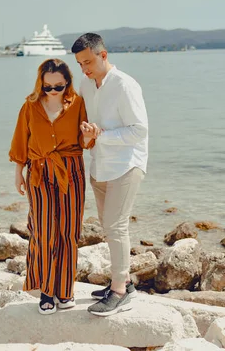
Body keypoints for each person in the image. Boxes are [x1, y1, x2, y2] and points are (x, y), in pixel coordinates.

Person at [9, 58, 95, 315]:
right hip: (38, 172)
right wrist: (18, 173)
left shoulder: (78, 103)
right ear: (41, 84)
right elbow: (20, 140)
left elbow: (85, 140)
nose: (53, 91)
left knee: (69, 232)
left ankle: (65, 291)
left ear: (67, 82)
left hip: (71, 171)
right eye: (48, 87)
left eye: (58, 86)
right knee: (44, 231)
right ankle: (46, 290)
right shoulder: (30, 106)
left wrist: (89, 137)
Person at [72, 33, 148, 316]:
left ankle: (119, 291)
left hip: (126, 165)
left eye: (88, 62)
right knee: (108, 226)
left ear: (103, 55)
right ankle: (124, 282)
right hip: (99, 164)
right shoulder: (85, 84)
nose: (85, 69)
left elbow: (139, 130)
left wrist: (101, 135)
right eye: (80, 64)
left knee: (116, 226)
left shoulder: (126, 85)